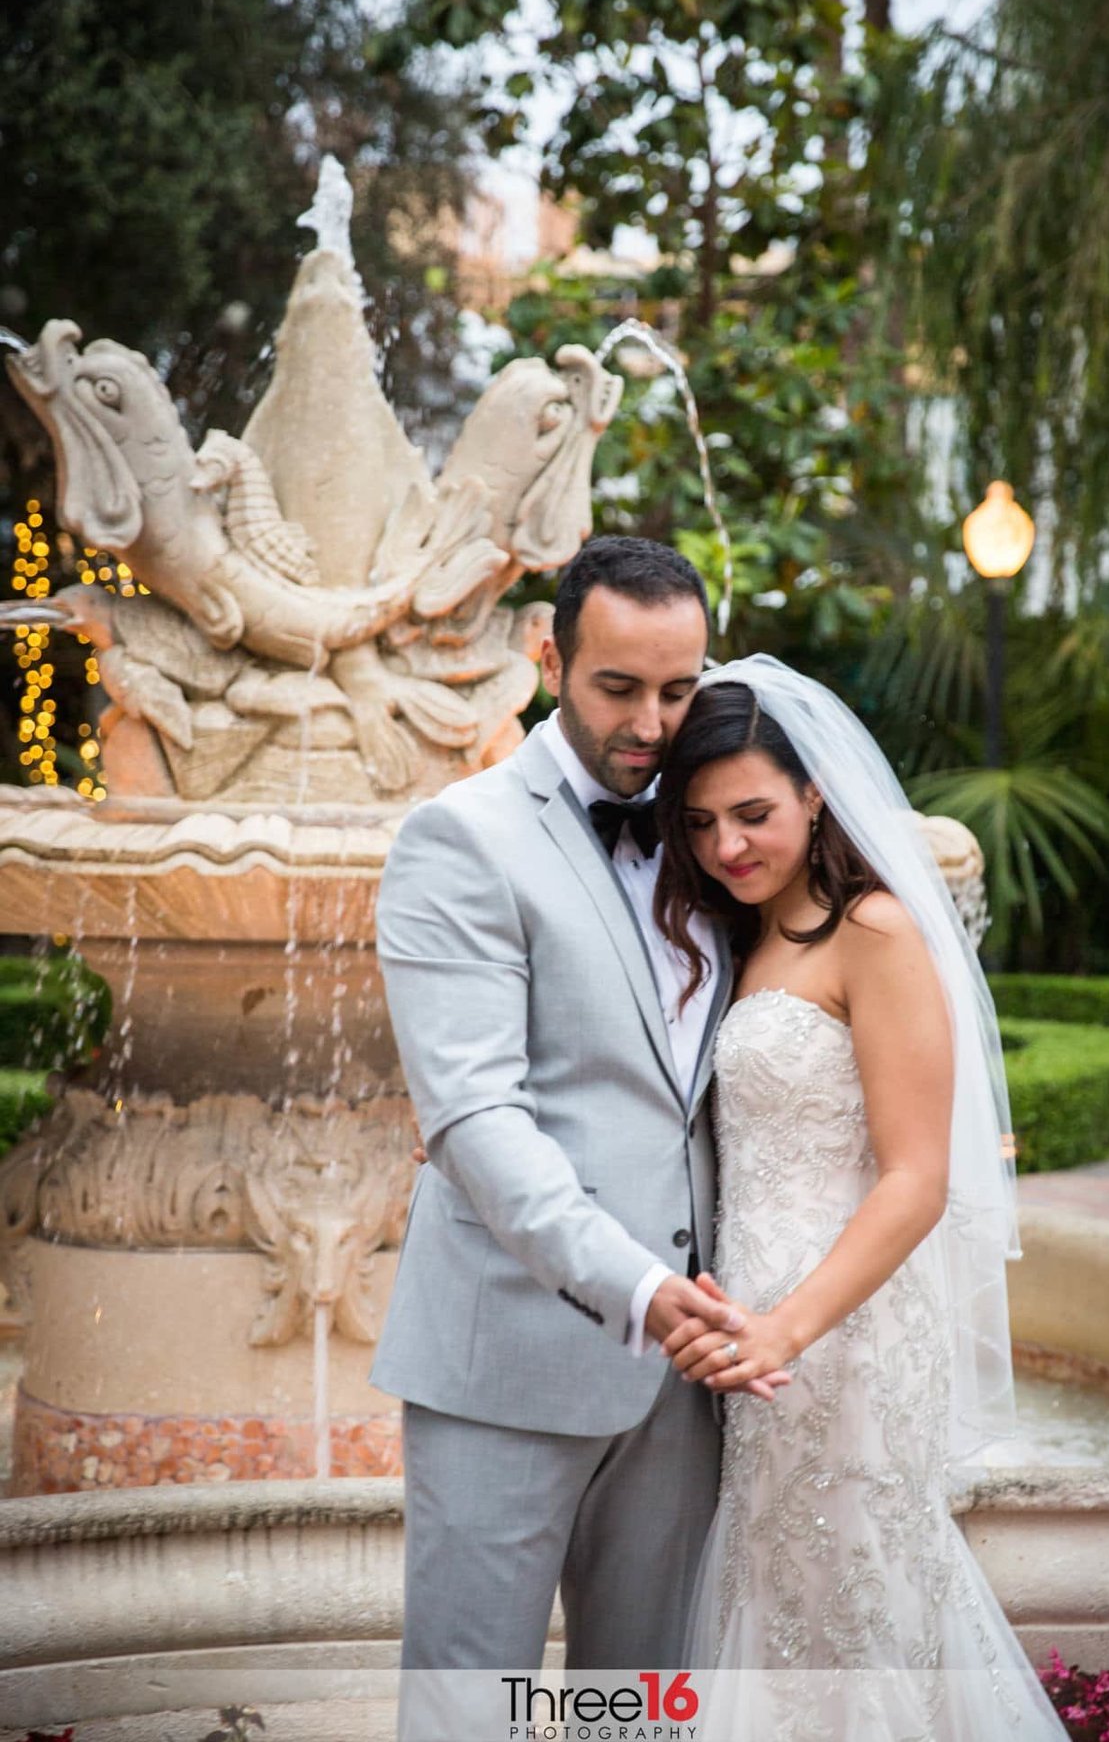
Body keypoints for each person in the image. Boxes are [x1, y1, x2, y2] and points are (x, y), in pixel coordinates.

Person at [369, 540, 784, 1737]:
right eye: (618, 688)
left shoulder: (718, 835)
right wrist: (642, 1288)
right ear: (549, 658)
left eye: (677, 689)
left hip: (690, 1377)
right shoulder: (459, 838)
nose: (653, 723)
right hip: (509, 1352)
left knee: (642, 1707)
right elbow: (475, 1118)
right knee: (471, 1706)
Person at [654, 657, 1068, 1738]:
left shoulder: (873, 928)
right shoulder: (736, 935)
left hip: (843, 1335)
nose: (726, 847)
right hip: (752, 1338)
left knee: (854, 1607)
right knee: (781, 1599)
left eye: (752, 814)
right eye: (699, 824)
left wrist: (786, 1327)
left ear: (816, 794)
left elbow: (918, 1177)